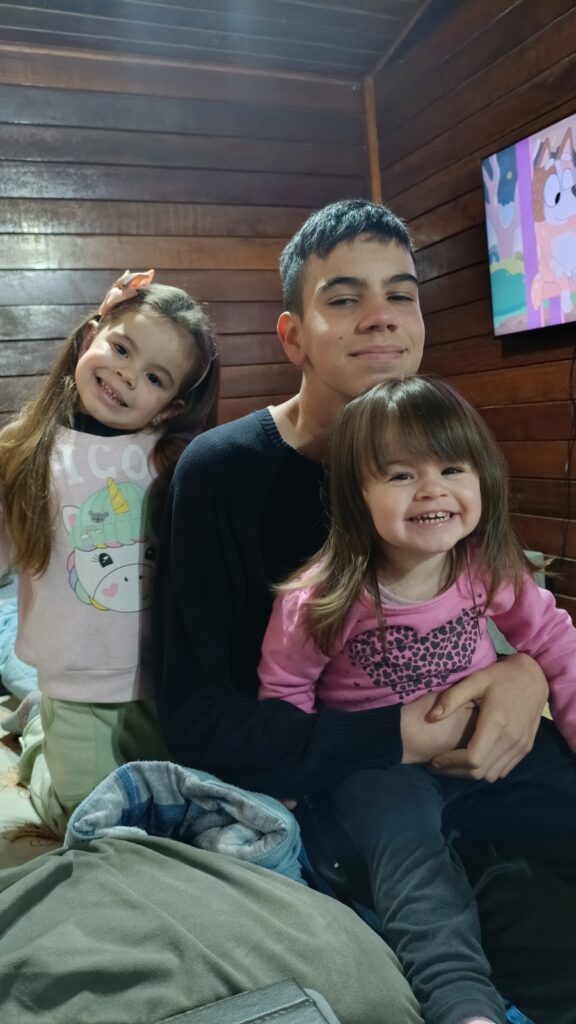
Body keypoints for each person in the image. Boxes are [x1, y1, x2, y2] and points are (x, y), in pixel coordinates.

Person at [153, 200, 559, 1021]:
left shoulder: (445, 448)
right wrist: (398, 735)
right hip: (354, 785)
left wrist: (526, 674)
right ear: (293, 336)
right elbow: (200, 719)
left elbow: (520, 606)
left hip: (487, 752)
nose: (381, 317)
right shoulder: (220, 475)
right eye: (344, 298)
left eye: (401, 294)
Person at [258, 375, 576, 1024]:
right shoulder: (321, 596)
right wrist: (283, 800)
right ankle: (462, 1001)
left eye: (452, 469)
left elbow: (553, 642)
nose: (432, 490)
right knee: (413, 866)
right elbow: (284, 697)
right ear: (357, 494)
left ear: (482, 477)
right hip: (382, 769)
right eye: (401, 475)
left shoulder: (486, 565)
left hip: (488, 739)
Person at [0, 269, 219, 835]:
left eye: (153, 377)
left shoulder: (174, 461)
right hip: (75, 685)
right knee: (85, 818)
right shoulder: (25, 449)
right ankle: (39, 744)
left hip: (162, 683)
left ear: (169, 407)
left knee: (165, 808)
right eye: (121, 349)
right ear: (88, 337)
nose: (125, 374)